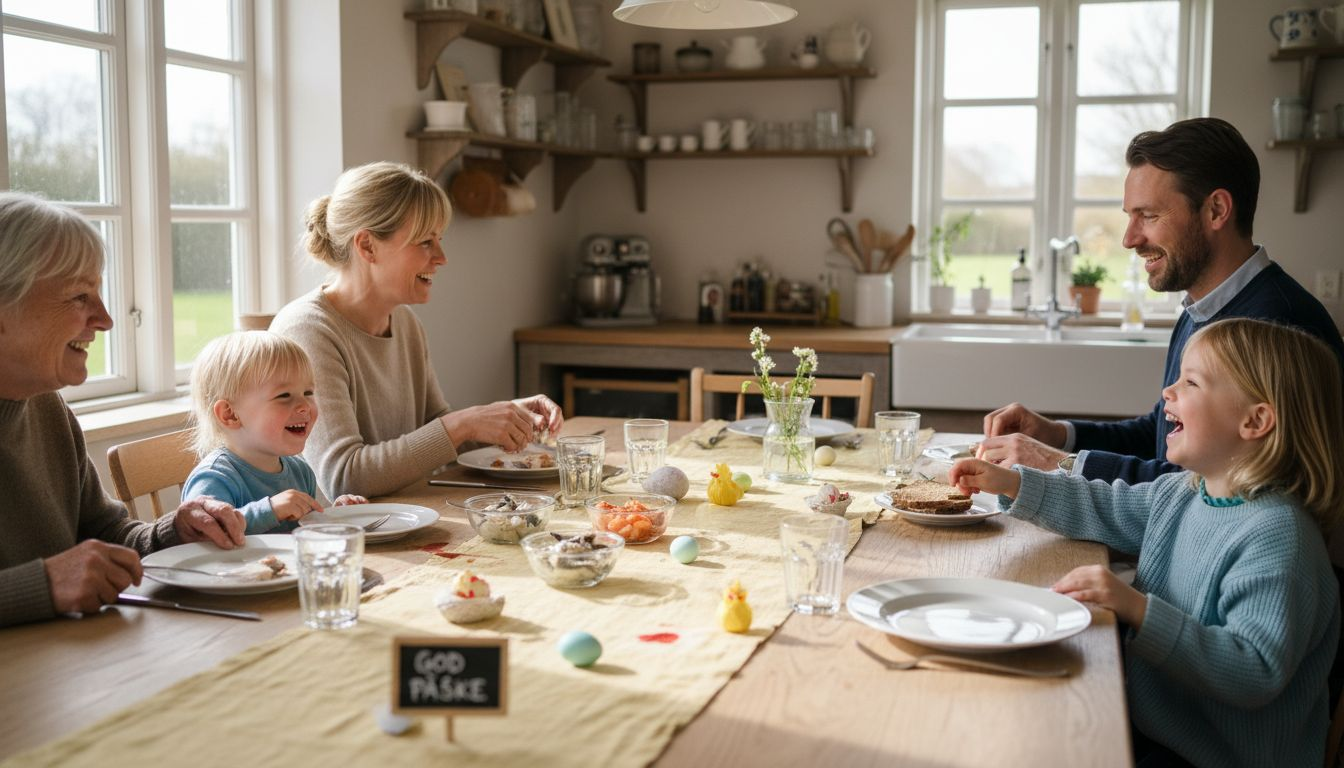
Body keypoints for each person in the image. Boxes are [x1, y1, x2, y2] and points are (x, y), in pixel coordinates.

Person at [950, 318, 1342, 767]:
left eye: (1191, 382)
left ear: (1255, 420)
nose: (1167, 393)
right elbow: (1104, 506)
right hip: (1157, 728)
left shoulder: (1278, 537)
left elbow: (1253, 673)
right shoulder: (1187, 491)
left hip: (1217, 756)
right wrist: (1017, 483)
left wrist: (1136, 607)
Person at [978, 118, 1344, 484]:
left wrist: (1058, 462)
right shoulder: (1200, 310)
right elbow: (1159, 434)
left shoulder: (1281, 327)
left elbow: (1207, 493)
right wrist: (1057, 434)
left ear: (1216, 210)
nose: (1129, 239)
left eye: (1149, 216)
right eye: (1130, 217)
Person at [0, 192, 245, 629]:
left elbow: (106, 534)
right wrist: (42, 585)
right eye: (79, 296)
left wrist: (173, 532)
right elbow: (57, 578)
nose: (105, 319)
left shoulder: (46, 407)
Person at [270, 162, 563, 498]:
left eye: (439, 239)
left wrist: (502, 418)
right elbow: (344, 477)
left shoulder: (405, 322)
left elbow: (434, 428)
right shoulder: (307, 330)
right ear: (367, 246)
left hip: (408, 519)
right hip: (342, 542)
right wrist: (464, 423)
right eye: (425, 241)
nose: (441, 257)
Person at [182, 331, 368, 535]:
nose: (305, 405)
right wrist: (269, 510)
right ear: (230, 414)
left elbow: (310, 526)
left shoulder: (300, 471)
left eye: (308, 392)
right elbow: (204, 535)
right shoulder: (215, 477)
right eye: (284, 395)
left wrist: (336, 513)